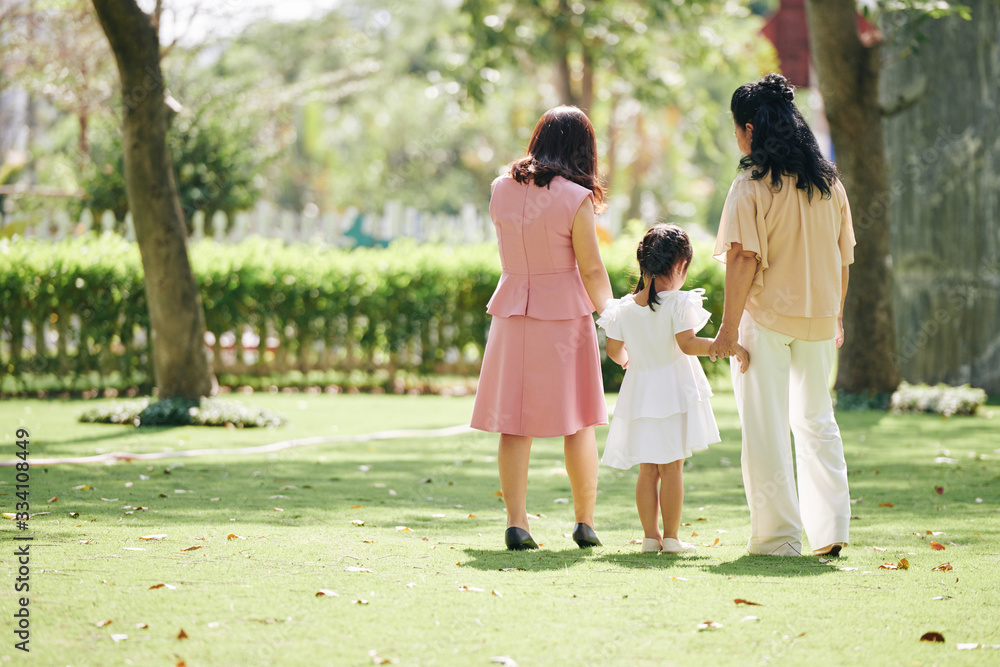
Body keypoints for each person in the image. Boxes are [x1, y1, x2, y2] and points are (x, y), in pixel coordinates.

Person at [709, 73, 855, 557]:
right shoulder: (829, 184)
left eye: (735, 128)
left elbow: (742, 260)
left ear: (749, 129)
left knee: (767, 427)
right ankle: (831, 530)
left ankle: (777, 538)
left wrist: (728, 331)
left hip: (764, 321)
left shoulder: (751, 185)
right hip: (817, 318)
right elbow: (843, 256)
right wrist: (835, 316)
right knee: (818, 423)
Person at [470, 106, 614, 551]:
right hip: (565, 316)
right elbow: (591, 269)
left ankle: (517, 523)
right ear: (582, 149)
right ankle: (584, 522)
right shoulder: (576, 198)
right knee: (580, 421)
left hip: (513, 313)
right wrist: (613, 318)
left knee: (514, 424)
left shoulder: (500, 189)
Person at [598, 224, 748, 554]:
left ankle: (650, 538)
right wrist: (725, 346)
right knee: (672, 467)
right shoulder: (679, 303)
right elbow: (688, 345)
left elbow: (613, 350)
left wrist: (628, 362)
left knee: (647, 468)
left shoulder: (622, 308)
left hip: (639, 393)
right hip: (672, 392)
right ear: (680, 265)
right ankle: (671, 538)